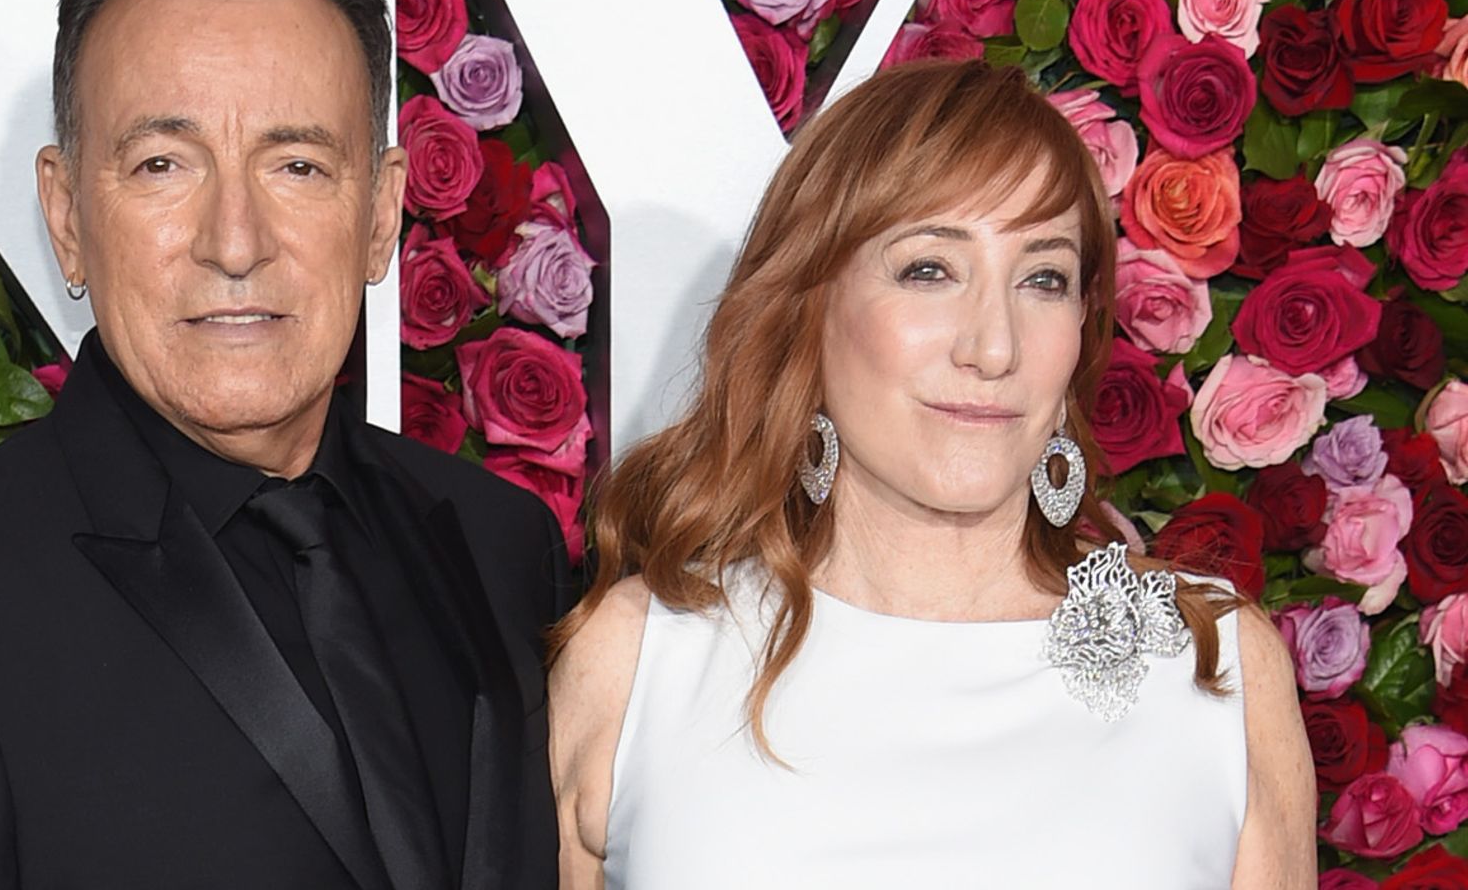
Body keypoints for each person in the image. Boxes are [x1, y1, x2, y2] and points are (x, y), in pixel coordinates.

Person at [0, 0, 573, 890]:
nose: (236, 242)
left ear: (379, 212)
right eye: (161, 166)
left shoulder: (503, 547)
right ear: (66, 217)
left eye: (298, 164)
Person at [549, 60, 1315, 888]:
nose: (994, 347)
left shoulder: (1212, 666)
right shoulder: (638, 659)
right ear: (808, 307)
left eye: (1043, 278)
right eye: (929, 270)